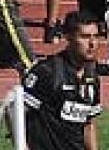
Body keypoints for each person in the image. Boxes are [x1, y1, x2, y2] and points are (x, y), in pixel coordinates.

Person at [22, 11, 103, 150]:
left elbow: (88, 124)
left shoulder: (92, 76)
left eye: (96, 36)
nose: (92, 43)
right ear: (68, 37)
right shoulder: (47, 72)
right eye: (84, 37)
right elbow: (15, 111)